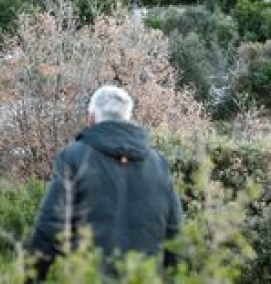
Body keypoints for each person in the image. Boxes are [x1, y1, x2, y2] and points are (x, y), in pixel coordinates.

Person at [29, 85, 183, 279]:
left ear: (91, 118)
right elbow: (175, 234)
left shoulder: (73, 157)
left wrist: (30, 276)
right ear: (127, 118)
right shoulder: (159, 164)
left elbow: (50, 226)